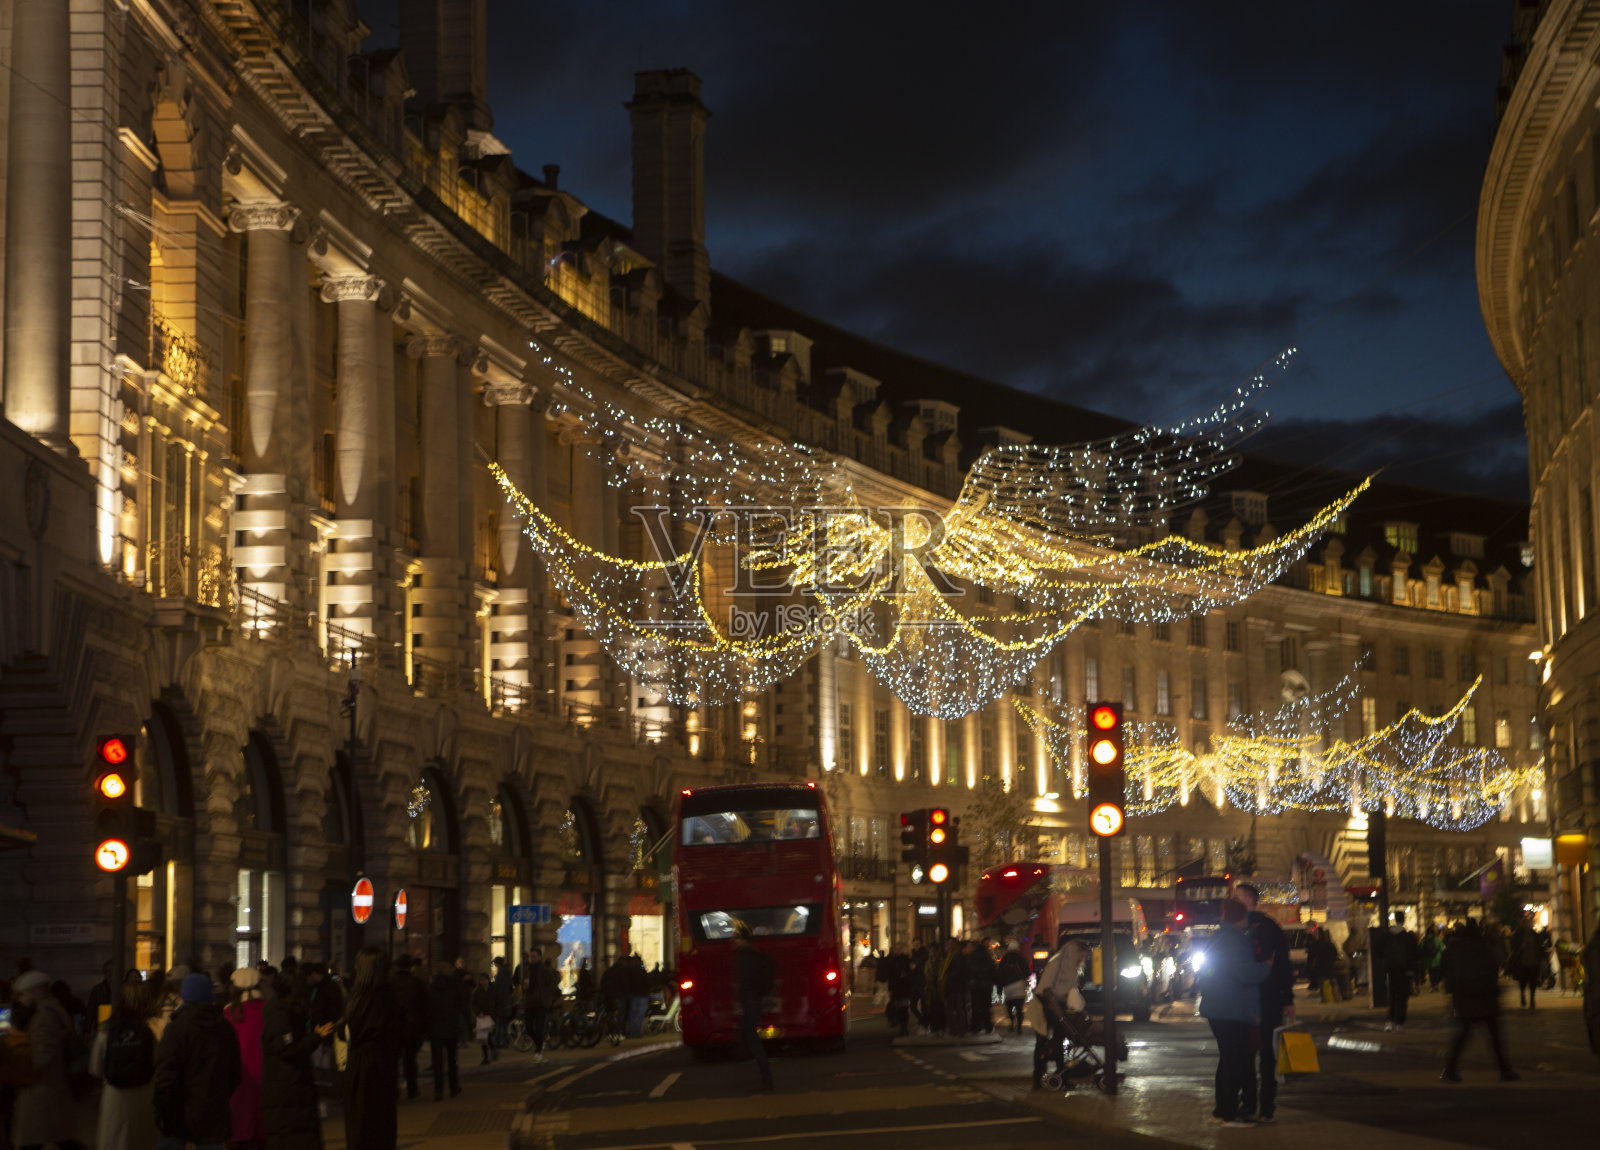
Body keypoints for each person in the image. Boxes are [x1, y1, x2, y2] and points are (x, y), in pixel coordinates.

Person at [1198, 897, 1271, 1126]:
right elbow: (1245, 974)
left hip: (1217, 1008)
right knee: (1235, 1061)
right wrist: (1266, 966)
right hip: (1232, 1009)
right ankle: (1230, 1112)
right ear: (1242, 918)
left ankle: (1222, 1108)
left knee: (1227, 1059)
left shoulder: (1218, 938)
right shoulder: (1236, 941)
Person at [153, 971, 244, 1150]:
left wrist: (161, 1107)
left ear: (184, 996)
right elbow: (235, 1072)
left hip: (178, 1110)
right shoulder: (224, 1028)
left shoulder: (177, 1028)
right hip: (213, 1110)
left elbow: (165, 1074)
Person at [1232, 883, 1294, 1125]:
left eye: (1237, 898)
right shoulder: (1263, 928)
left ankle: (1255, 1104)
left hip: (1261, 999)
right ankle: (1263, 1106)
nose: (1233, 902)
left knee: (1257, 1054)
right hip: (1264, 999)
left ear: (1249, 901)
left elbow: (1281, 966)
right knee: (1261, 1055)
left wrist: (1287, 998)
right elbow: (1283, 967)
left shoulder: (1259, 929)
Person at [12, 969, 85, 1150]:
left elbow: (43, 1055)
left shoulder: (43, 1016)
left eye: (23, 994)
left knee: (33, 1140)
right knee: (60, 1138)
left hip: (41, 1090)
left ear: (38, 991)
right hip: (56, 1088)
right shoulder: (57, 1010)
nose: (21, 999)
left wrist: (22, 1070)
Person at [260, 970, 332, 1150]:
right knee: (292, 1134)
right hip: (288, 1085)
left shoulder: (283, 1011)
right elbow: (287, 1049)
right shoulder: (282, 1014)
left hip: (290, 1086)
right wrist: (315, 1038)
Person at [1441, 918, 1518, 1082]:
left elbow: (1449, 971)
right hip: (1484, 997)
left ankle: (1450, 1069)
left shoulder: (1456, 949)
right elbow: (1491, 969)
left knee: (1463, 1035)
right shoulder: (1482, 947)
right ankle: (1504, 1070)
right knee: (1494, 1036)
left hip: (1466, 998)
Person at [341, 947, 400, 1150]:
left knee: (362, 1123)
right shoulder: (386, 995)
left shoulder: (361, 996)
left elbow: (353, 1031)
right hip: (380, 1064)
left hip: (363, 1065)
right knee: (380, 1123)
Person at [91, 978, 159, 1150]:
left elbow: (95, 1068)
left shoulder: (108, 1030)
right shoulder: (151, 1029)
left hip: (115, 1098)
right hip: (144, 1097)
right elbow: (158, 1064)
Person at [1027, 938, 1087, 1091]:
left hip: (1057, 1008)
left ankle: (1062, 1076)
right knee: (1041, 1043)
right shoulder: (1056, 964)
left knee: (1060, 1042)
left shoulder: (1071, 967)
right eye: (1081, 955)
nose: (1082, 959)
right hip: (1044, 1007)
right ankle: (1038, 1078)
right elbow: (1046, 990)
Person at [225, 967, 268, 1150]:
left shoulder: (230, 1012)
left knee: (239, 1124)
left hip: (239, 1075)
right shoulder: (267, 1009)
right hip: (265, 1073)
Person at [732, 923, 775, 1092]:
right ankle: (762, 1074)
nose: (733, 941)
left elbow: (744, 982)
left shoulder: (744, 957)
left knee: (752, 1039)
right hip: (755, 1001)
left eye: (736, 938)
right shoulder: (756, 955)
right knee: (748, 1036)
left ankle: (766, 1075)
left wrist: (740, 1001)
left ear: (743, 939)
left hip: (750, 1002)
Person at [389, 955, 427, 1101]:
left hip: (394, 1028)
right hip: (412, 1028)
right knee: (410, 1060)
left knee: (393, 1061)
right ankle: (412, 1088)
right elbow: (424, 1007)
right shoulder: (417, 983)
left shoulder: (390, 983)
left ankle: (394, 1090)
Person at [425, 963, 462, 1100]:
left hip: (436, 1028)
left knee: (438, 1062)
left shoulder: (432, 989)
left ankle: (438, 1090)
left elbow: (427, 1010)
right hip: (451, 1027)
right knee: (452, 1059)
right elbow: (460, 1005)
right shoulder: (453, 987)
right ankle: (453, 1086)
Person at [1381, 910, 1419, 1030]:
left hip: (1391, 970)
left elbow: (1378, 949)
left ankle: (1390, 1021)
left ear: (1395, 919)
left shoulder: (1388, 936)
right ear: (1404, 920)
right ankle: (1399, 1022)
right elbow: (1415, 954)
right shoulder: (1408, 937)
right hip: (1404, 970)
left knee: (1392, 996)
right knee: (1402, 997)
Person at [522, 950, 559, 1062]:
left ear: (539, 957)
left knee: (539, 1028)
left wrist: (545, 997)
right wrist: (524, 986)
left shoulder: (544, 970)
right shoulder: (528, 969)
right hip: (529, 1002)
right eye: (531, 956)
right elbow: (523, 983)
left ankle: (538, 1051)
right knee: (528, 1028)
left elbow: (553, 986)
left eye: (534, 956)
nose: (532, 958)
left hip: (541, 1004)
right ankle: (539, 1043)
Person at [1508, 914, 1542, 1009]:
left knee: (1532, 981)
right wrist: (1520, 947)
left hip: (1533, 961)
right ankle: (1523, 995)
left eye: (1528, 923)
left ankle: (1532, 999)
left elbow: (1538, 946)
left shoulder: (1534, 934)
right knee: (1523, 981)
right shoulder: (1518, 934)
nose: (1528, 925)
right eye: (1526, 924)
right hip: (1522, 961)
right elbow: (1513, 946)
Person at [997, 940, 1030, 1035]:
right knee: (1019, 1009)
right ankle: (1019, 1027)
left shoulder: (1005, 959)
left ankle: (1012, 1023)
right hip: (1020, 985)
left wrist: (999, 989)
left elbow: (1000, 974)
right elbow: (1027, 972)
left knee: (1009, 1007)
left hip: (1008, 987)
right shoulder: (1022, 958)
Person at [966, 940, 998, 1035]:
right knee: (986, 1007)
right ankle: (988, 1026)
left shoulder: (972, 957)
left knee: (975, 1007)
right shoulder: (987, 957)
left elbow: (968, 971)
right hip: (986, 986)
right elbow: (993, 971)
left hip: (975, 986)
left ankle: (976, 1027)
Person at [941, 939, 972, 1037]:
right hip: (952, 986)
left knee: (956, 1009)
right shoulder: (952, 956)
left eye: (949, 945)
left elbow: (959, 970)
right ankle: (957, 1030)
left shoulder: (957, 956)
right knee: (955, 1009)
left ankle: (957, 1030)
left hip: (955, 986)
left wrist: (948, 977)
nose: (947, 947)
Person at [471, 973, 498, 1065]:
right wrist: (478, 1012)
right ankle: (486, 1056)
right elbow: (473, 1004)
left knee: (488, 1036)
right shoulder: (476, 992)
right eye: (481, 980)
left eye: (484, 980)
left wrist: (495, 1012)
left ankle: (492, 1050)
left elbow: (497, 1001)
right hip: (482, 1017)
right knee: (483, 1037)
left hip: (491, 1016)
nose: (483, 982)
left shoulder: (492, 990)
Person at [490, 957, 512, 1048]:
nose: (495, 966)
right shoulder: (506, 972)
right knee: (503, 1023)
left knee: (500, 1022)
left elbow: (499, 987)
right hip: (505, 1000)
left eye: (495, 964)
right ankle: (504, 1041)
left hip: (501, 1001)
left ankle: (499, 1041)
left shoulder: (501, 973)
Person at [1421, 925, 1445, 992]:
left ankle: (1432, 985)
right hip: (1437, 959)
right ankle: (1436, 985)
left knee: (1431, 973)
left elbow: (1420, 948)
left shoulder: (1424, 939)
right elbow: (1442, 949)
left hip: (1428, 960)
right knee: (1437, 973)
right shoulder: (1437, 939)